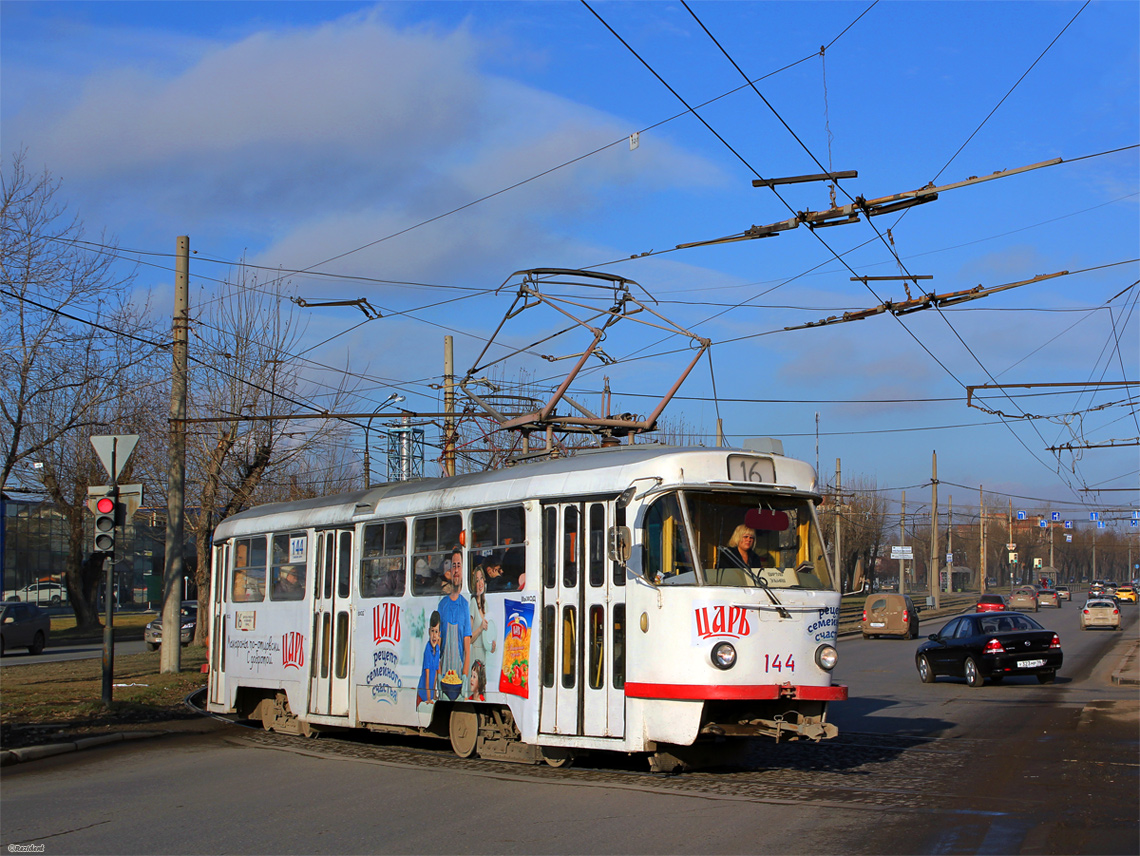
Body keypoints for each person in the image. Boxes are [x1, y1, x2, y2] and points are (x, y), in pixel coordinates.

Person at [437, 552, 472, 697]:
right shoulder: (442, 605)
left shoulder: (464, 605)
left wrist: (464, 675)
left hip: (458, 675)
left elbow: (467, 648)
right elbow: (437, 646)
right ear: (449, 571)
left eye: (459, 565)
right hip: (444, 674)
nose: (456, 570)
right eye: (453, 566)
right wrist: (439, 674)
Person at [469, 566, 497, 669]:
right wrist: (480, 628)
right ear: (474, 585)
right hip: (475, 656)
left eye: (481, 578)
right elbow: (469, 639)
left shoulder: (486, 605)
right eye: (477, 580)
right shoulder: (473, 604)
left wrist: (491, 647)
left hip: (483, 657)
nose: (480, 583)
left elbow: (487, 635)